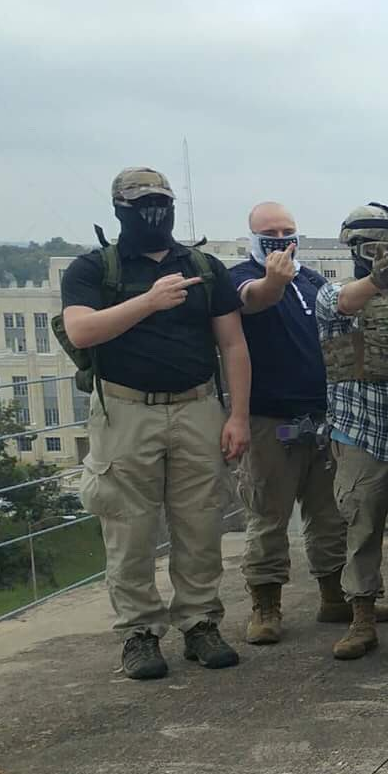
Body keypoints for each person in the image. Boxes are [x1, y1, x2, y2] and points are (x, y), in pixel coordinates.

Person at [59, 167, 249, 679]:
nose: (154, 210)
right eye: (142, 202)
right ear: (120, 208)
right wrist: (148, 301)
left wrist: (238, 415)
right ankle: (140, 633)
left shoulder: (204, 268)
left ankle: (200, 622)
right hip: (124, 410)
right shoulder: (94, 269)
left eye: (162, 200)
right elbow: (81, 332)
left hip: (196, 406)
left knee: (201, 521)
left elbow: (232, 344)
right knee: (129, 527)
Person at [229, 201, 354, 647]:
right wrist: (272, 281)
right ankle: (266, 605)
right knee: (267, 514)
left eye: (287, 231)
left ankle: (334, 594)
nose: (280, 239)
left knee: (330, 513)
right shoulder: (242, 276)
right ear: (253, 236)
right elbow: (253, 299)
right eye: (271, 232)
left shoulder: (312, 279)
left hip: (321, 417)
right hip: (269, 419)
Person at [317, 201, 388, 660]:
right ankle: (361, 615)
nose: (385, 254)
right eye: (374, 246)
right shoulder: (333, 295)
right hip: (360, 432)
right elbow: (344, 303)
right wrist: (378, 280)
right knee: (361, 530)